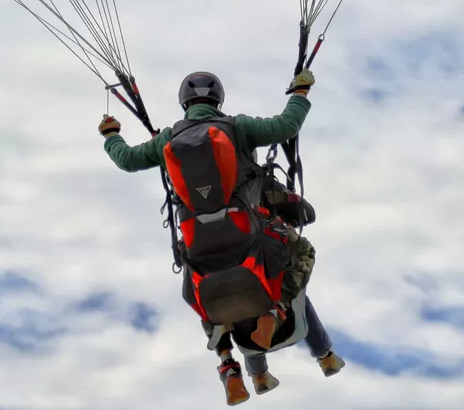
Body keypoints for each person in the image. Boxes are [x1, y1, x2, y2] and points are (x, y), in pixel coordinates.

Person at [98, 69, 345, 405]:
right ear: (218, 100)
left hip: (199, 244)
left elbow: (127, 160)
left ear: (184, 102)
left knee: (201, 287)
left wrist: (111, 135)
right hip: (248, 231)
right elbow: (286, 125)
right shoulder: (237, 127)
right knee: (301, 255)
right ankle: (285, 321)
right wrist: (300, 93)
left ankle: (231, 368)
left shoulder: (167, 140)